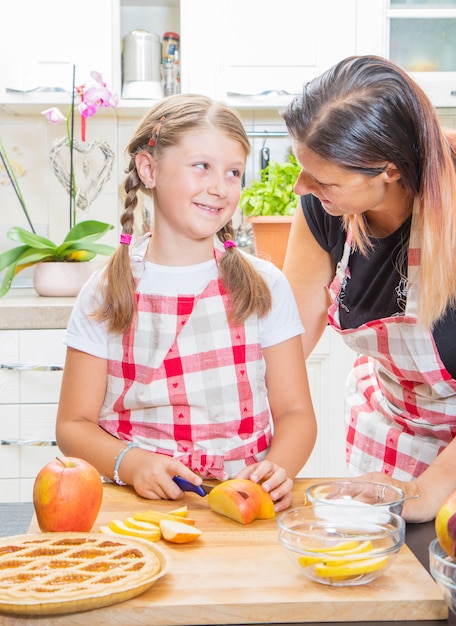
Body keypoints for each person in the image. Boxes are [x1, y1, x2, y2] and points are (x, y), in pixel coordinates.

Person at [56, 93, 317, 512]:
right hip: (136, 506)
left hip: (244, 507)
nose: (219, 187)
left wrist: (277, 468)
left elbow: (296, 413)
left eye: (233, 173)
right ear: (149, 168)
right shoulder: (106, 290)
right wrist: (131, 463)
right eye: (202, 166)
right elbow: (73, 425)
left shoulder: (265, 286)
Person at [281, 55, 456, 523]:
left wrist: (424, 492)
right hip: (388, 438)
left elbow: (426, 496)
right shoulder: (323, 207)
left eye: (323, 178)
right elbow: (289, 341)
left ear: (391, 170)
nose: (302, 186)